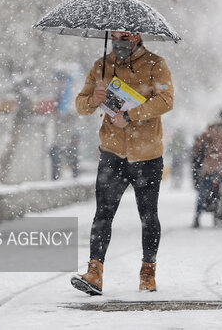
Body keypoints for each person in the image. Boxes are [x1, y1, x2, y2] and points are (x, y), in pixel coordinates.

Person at [71, 31, 174, 296]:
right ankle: (94, 272)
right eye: (115, 36)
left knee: (149, 215)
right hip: (112, 153)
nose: (119, 41)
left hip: (147, 155)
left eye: (125, 36)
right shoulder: (100, 66)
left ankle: (148, 270)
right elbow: (81, 105)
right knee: (103, 215)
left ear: (137, 37)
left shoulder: (155, 64)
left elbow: (166, 100)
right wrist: (93, 99)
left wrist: (131, 114)